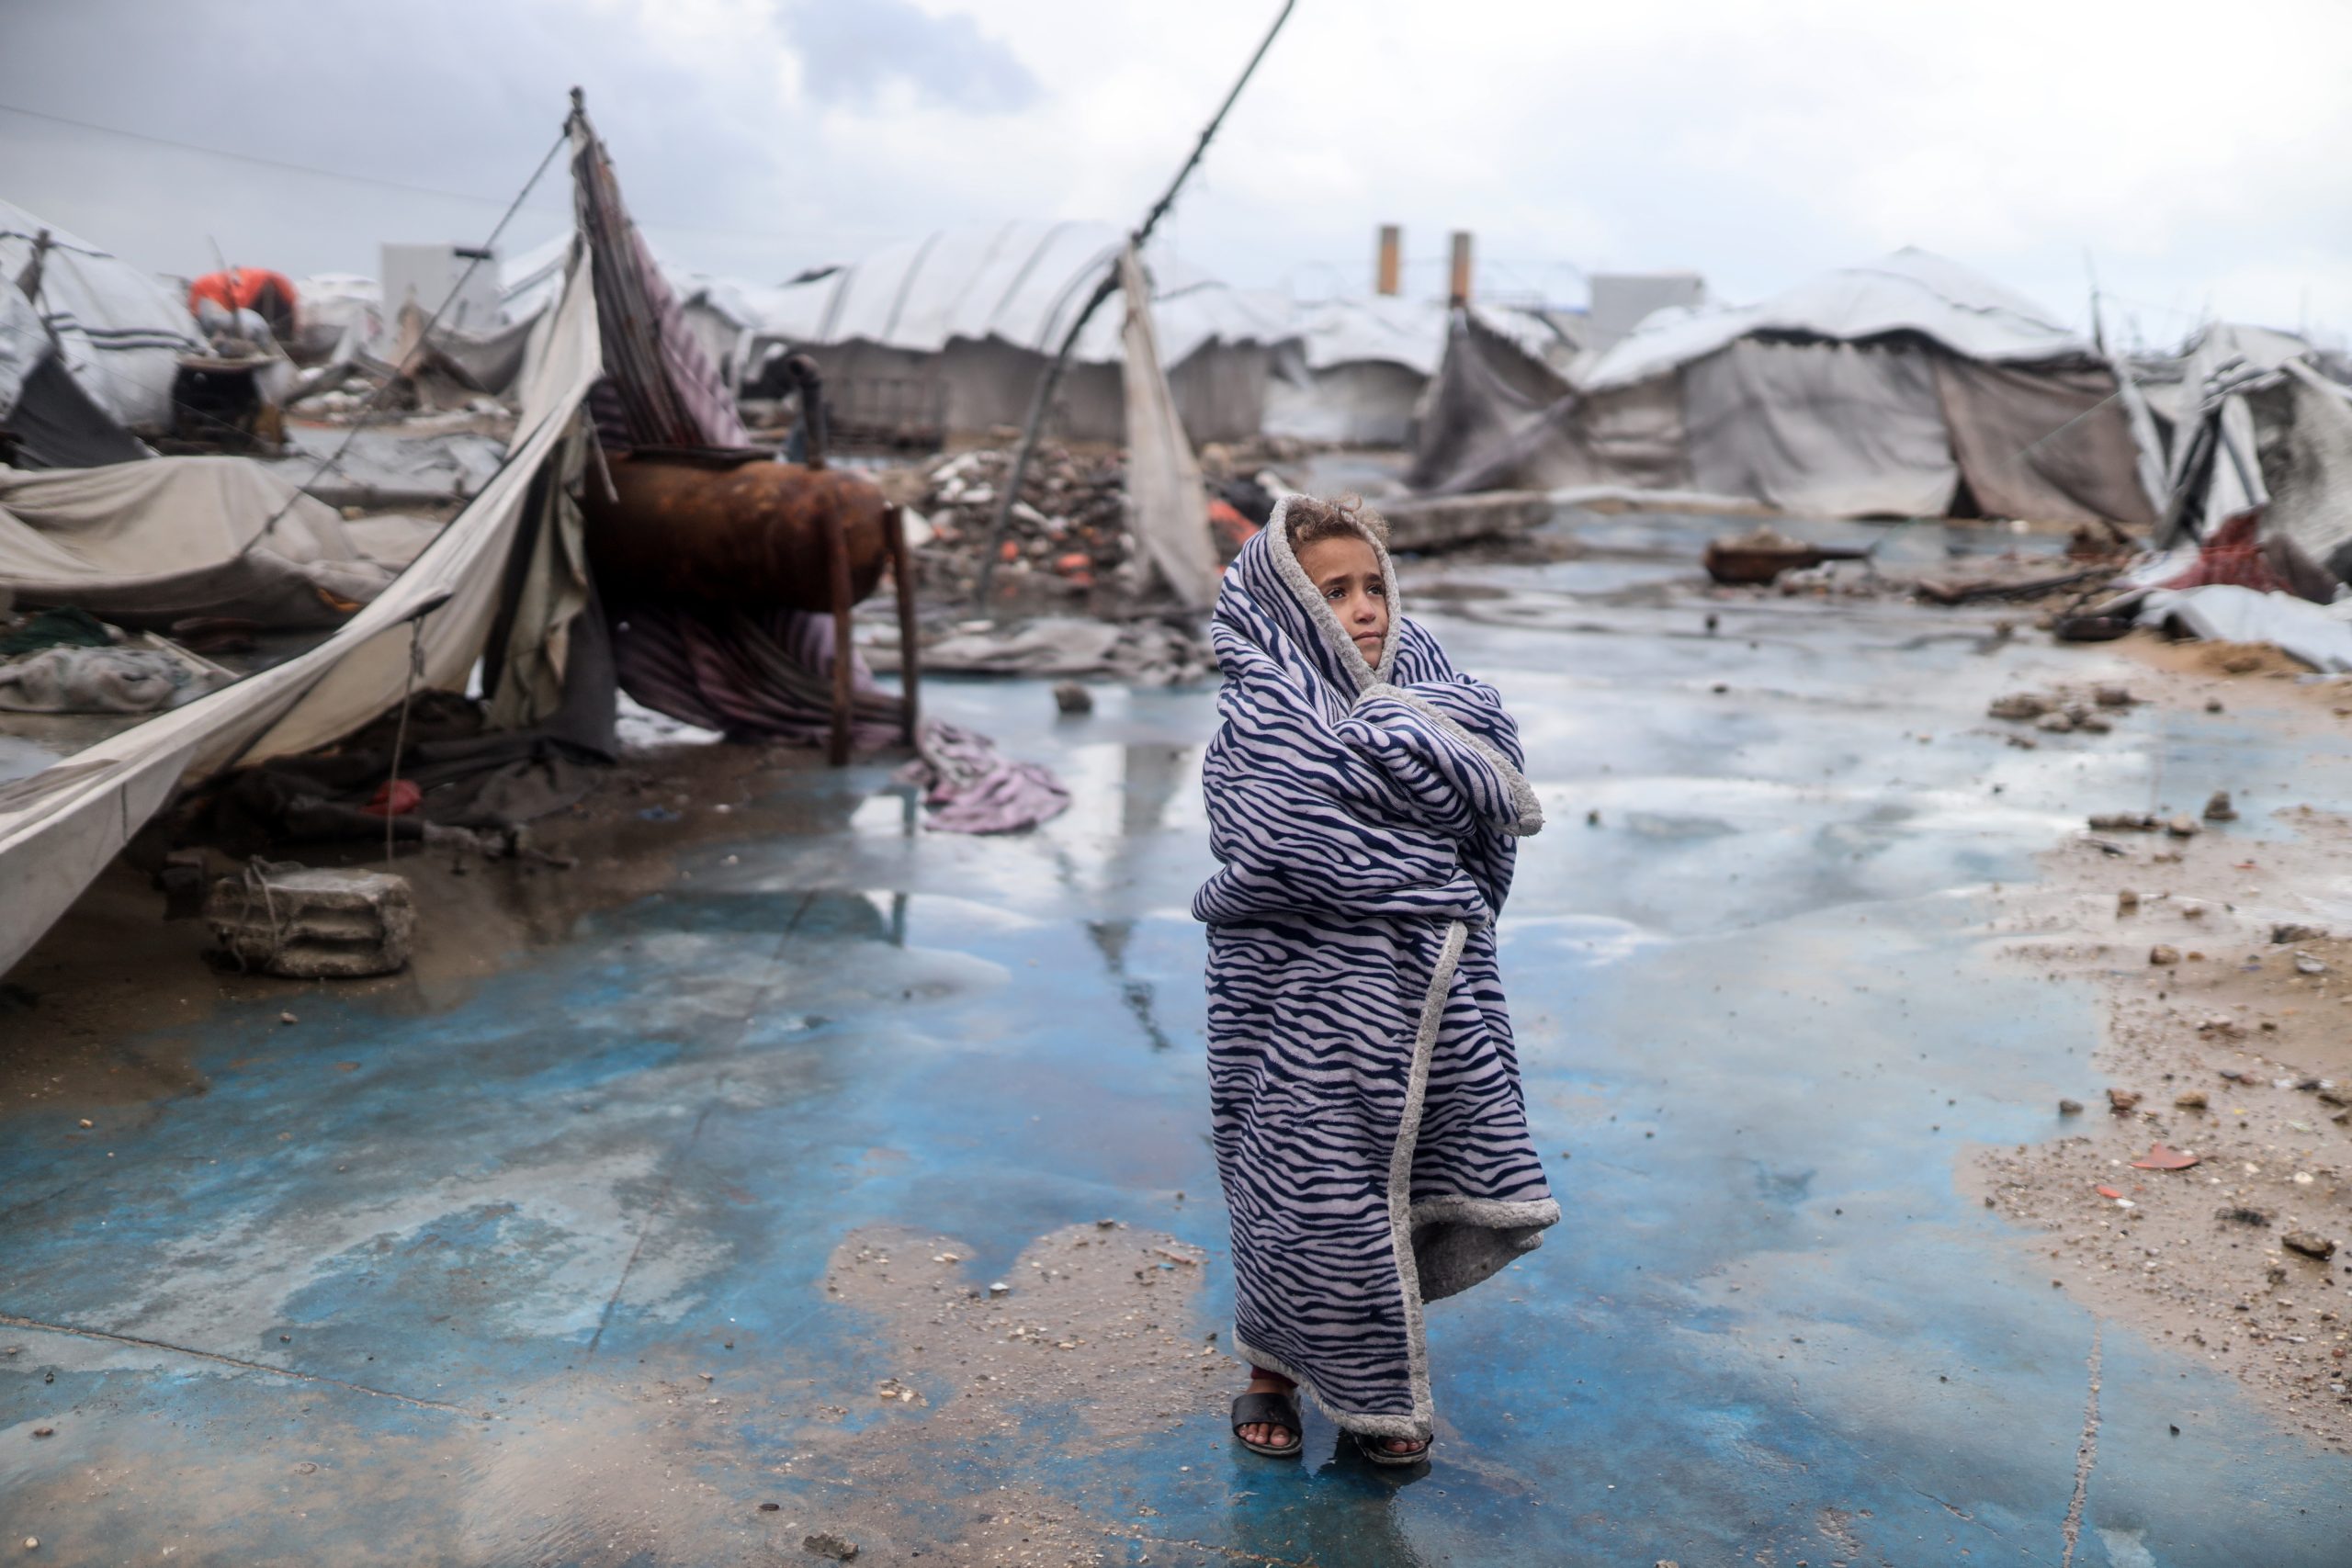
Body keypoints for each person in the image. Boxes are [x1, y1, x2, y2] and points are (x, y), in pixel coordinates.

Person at [1194, 492, 1557, 1468]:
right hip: (1295, 994)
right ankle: (1278, 1372)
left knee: (1390, 1185)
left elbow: (1491, 820)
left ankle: (1363, 1371)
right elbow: (1290, 848)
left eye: (1373, 587)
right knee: (1299, 1184)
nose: (1364, 610)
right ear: (1285, 608)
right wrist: (1419, 858)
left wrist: (1416, 841)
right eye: (1334, 592)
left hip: (1422, 987)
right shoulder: (1259, 719)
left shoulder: (1443, 696)